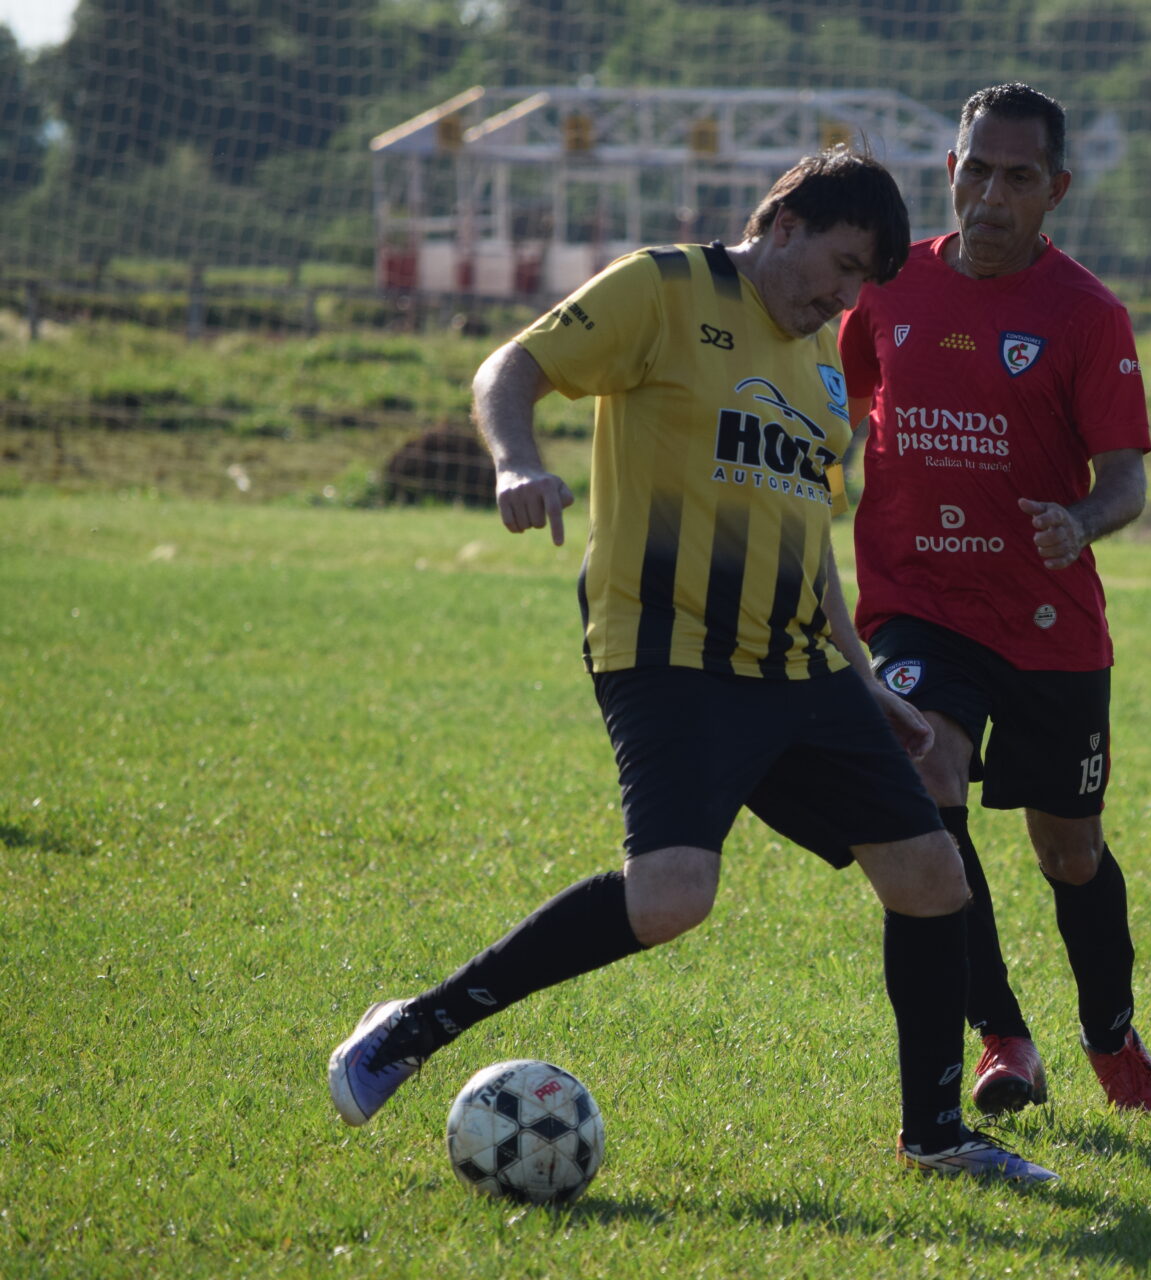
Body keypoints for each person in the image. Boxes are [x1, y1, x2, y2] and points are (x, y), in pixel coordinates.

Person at [327, 147, 1056, 1184]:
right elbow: (512, 366)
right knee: (671, 894)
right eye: (842, 267)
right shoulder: (663, 287)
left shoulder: (819, 362)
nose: (846, 298)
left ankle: (936, 1136)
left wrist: (861, 678)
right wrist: (517, 458)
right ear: (787, 223)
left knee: (932, 877)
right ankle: (410, 1029)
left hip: (797, 667)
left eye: (863, 283)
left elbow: (807, 537)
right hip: (669, 650)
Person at [837, 84, 1151, 1117]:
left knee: (1068, 851)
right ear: (950, 171)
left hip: (1046, 623)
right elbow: (843, 407)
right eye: (975, 170)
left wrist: (1079, 519)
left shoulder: (1086, 315)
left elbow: (1127, 479)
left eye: (1017, 177)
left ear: (1055, 190)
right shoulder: (888, 289)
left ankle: (1110, 1035)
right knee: (922, 770)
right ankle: (1001, 1037)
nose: (990, 196)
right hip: (918, 602)